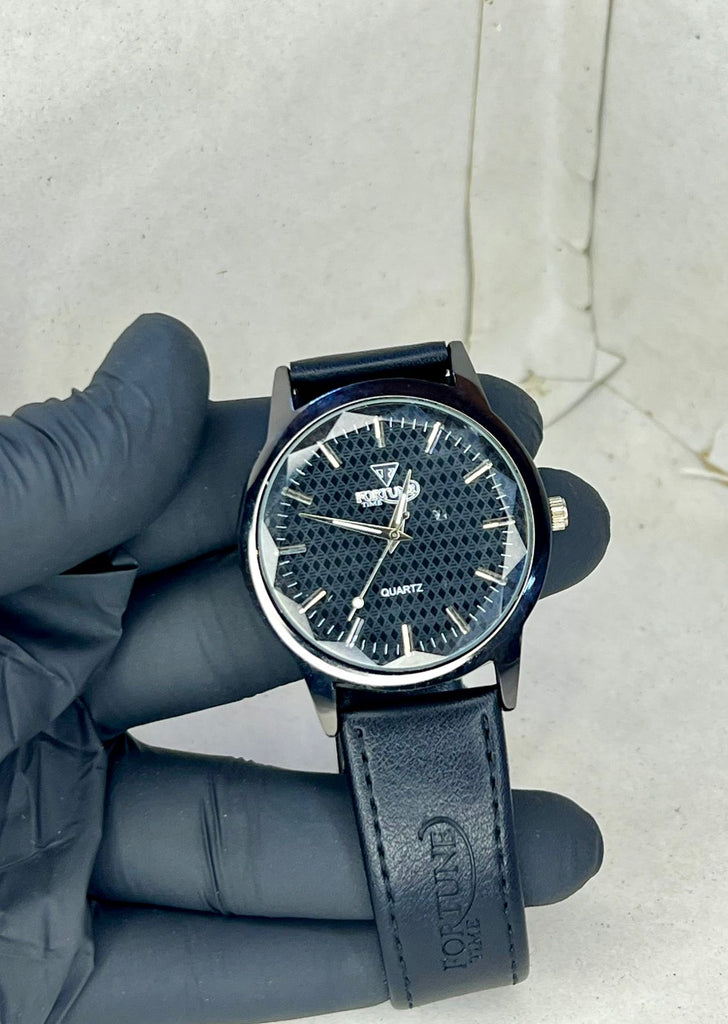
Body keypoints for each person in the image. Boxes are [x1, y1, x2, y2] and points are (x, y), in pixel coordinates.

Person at [0, 314, 608, 1024]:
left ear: (541, 514)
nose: (394, 534)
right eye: (383, 530)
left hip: (435, 623)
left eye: (396, 528)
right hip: (343, 643)